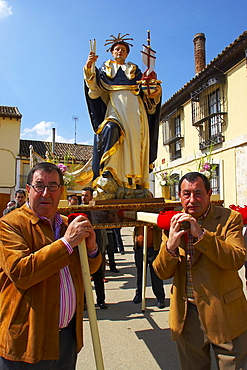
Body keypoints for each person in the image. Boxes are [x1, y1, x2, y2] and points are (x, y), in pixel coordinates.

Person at [0, 162, 101, 368]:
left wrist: (91, 250)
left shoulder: (66, 225)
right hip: (27, 341)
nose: (46, 193)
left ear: (61, 191)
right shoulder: (10, 224)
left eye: (53, 186)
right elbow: (21, 272)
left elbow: (87, 271)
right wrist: (67, 243)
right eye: (39, 186)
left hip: (66, 340)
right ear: (28, 190)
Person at [153, 172, 247, 369]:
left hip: (225, 313)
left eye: (198, 193)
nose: (192, 200)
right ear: (179, 196)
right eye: (186, 194)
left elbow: (236, 259)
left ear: (209, 193)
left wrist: (201, 235)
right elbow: (161, 272)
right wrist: (170, 246)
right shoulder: (173, 223)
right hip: (188, 316)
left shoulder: (230, 219)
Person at [84, 34, 162, 195]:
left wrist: (153, 88)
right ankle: (109, 171)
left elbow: (147, 91)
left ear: (127, 54)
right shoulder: (105, 70)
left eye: (123, 50)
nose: (120, 51)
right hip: (114, 109)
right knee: (110, 129)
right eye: (117, 49)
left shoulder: (134, 70)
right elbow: (93, 88)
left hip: (135, 111)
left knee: (134, 143)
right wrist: (89, 66)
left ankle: (134, 181)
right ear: (112, 52)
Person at [81, 187, 108, 309]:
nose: (83, 198)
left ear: (91, 196)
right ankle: (84, 302)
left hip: (97, 247)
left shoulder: (97, 210)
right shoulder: (79, 210)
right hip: (82, 249)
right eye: (82, 195)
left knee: (98, 276)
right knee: (83, 277)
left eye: (86, 195)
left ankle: (101, 300)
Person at [133, 225, 165, 309]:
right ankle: (139, 294)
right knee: (140, 272)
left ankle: (160, 297)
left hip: (153, 248)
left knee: (155, 273)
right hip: (139, 248)